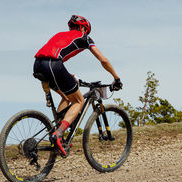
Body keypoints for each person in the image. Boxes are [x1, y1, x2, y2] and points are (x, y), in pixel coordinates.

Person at [33, 15, 122, 157]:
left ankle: (57, 129)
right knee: (79, 101)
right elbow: (103, 60)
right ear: (83, 28)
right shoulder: (85, 37)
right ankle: (59, 134)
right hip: (53, 65)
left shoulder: (61, 35)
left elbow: (53, 54)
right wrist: (116, 78)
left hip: (37, 64)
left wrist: (69, 76)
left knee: (66, 97)